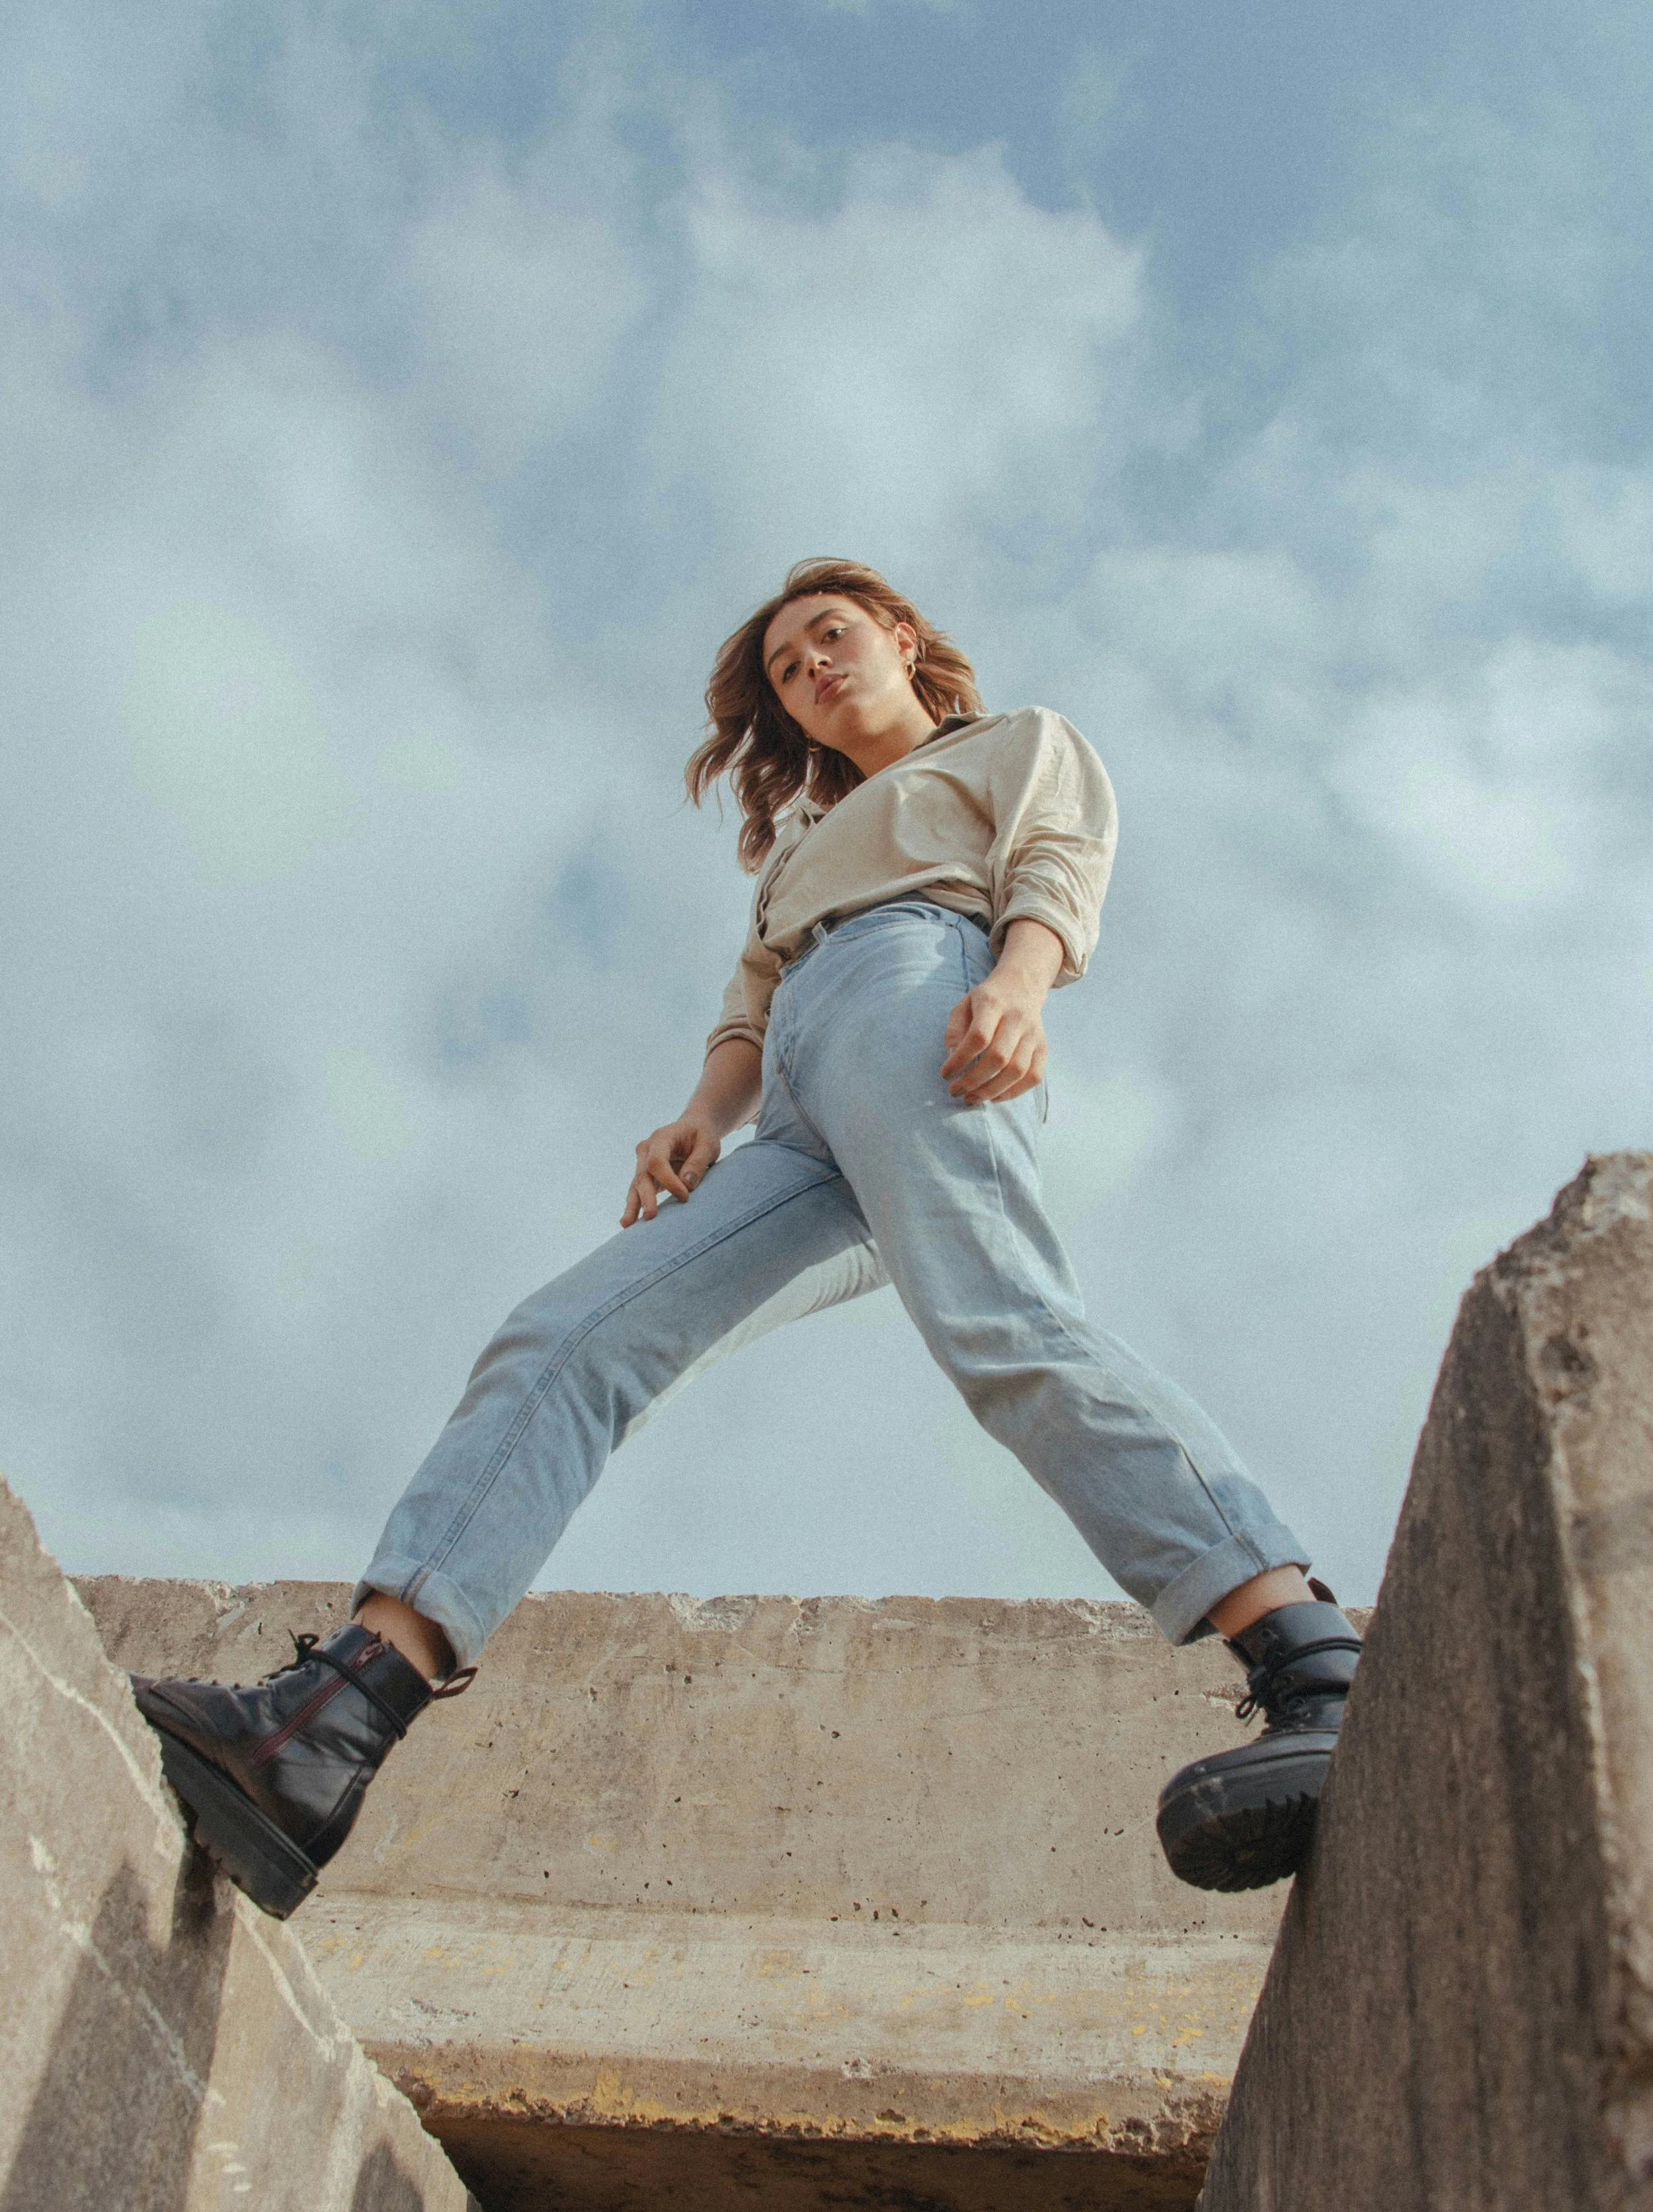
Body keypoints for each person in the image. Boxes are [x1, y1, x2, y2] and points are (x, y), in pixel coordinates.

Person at [133, 559, 1361, 1922]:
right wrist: (696, 1119)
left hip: (924, 996)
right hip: (791, 1105)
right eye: (785, 669)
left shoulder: (1011, 742)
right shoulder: (792, 856)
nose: (812, 670)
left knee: (999, 1324)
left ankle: (1316, 1664)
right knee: (572, 1336)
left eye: (830, 639)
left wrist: (1017, 984)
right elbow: (749, 1005)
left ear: (898, 638)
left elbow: (1055, 862)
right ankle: (329, 1727)